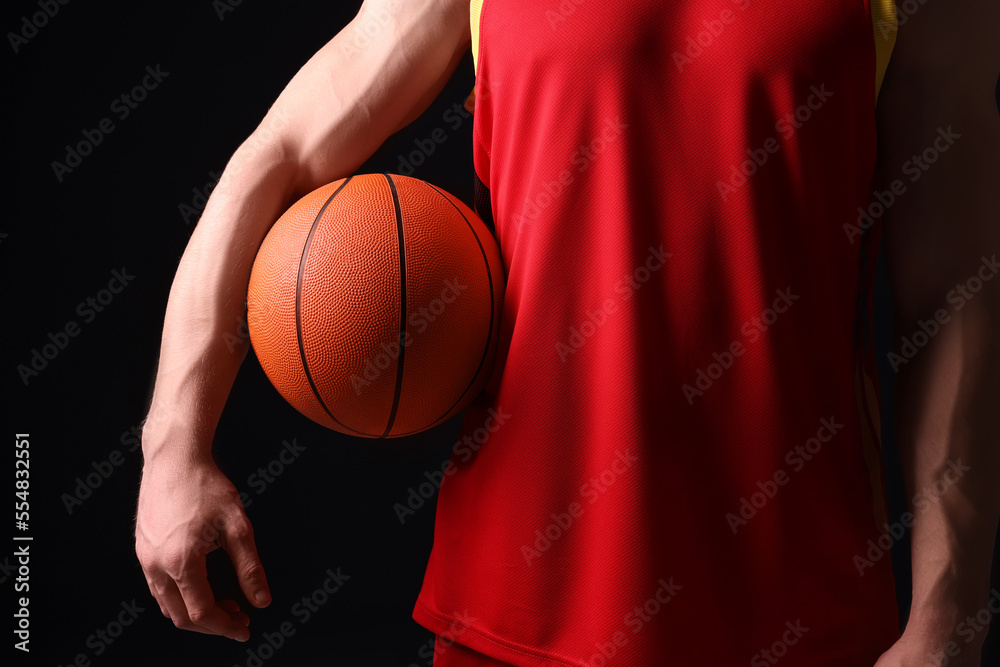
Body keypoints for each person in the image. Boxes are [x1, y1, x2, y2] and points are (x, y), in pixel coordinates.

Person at [135, 0, 1000, 664]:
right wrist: (174, 444)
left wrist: (947, 615)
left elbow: (952, 294)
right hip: (514, 612)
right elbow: (281, 153)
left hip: (804, 621)